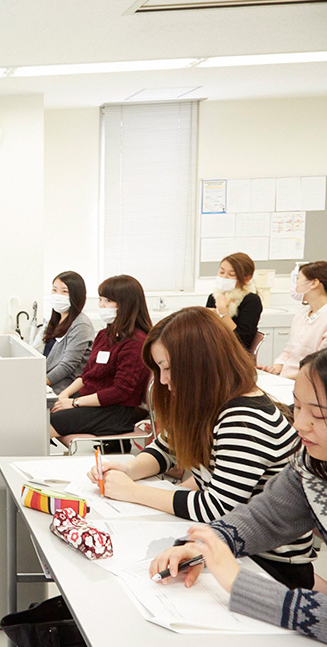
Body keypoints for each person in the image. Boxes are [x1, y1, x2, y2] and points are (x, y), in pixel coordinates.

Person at [90, 307, 314, 587]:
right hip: (229, 547)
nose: (162, 380)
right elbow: (165, 448)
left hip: (269, 565)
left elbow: (215, 509)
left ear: (201, 364)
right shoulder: (208, 401)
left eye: (169, 368)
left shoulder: (243, 419)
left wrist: (133, 491)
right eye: (159, 368)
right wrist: (128, 468)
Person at [150, 350, 327, 641]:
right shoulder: (310, 463)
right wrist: (206, 545)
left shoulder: (244, 418)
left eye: (318, 414)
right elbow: (265, 516)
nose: (299, 425)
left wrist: (241, 586)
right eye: (296, 407)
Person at [50, 275, 152, 441]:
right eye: (100, 299)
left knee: (44, 424)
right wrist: (65, 395)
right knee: (41, 417)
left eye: (108, 301)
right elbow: (87, 373)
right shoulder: (104, 335)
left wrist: (75, 403)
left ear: (126, 305)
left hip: (115, 412)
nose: (102, 305)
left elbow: (120, 391)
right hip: (91, 405)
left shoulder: (135, 342)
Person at [259, 261, 327, 380]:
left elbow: (320, 367)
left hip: (309, 381)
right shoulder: (303, 313)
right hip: (287, 378)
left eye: (298, 279)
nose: (295, 284)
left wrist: (284, 379)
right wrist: (276, 367)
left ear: (314, 283)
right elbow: (290, 350)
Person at [42, 271, 95, 395]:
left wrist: (42, 382)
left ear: (76, 295)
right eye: (54, 290)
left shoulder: (81, 324)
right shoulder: (56, 319)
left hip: (65, 386)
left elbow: (67, 366)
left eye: (64, 292)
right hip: (47, 380)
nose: (57, 295)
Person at [206, 252, 263, 350]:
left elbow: (241, 341)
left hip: (235, 355)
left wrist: (222, 312)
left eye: (231, 274)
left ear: (246, 279)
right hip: (213, 350)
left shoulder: (251, 300)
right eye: (221, 272)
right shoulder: (214, 296)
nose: (224, 277)